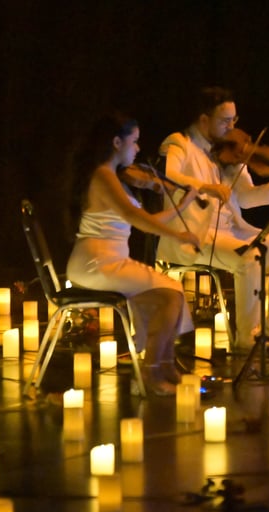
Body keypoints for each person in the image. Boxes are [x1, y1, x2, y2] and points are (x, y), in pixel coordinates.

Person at [156, 86, 269, 348]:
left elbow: (246, 198)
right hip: (196, 236)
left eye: (234, 120)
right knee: (250, 256)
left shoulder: (227, 151)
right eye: (225, 121)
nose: (232, 127)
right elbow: (169, 175)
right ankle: (247, 336)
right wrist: (206, 187)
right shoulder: (179, 143)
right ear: (204, 119)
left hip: (231, 232)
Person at [66, 113, 201, 396]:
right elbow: (134, 216)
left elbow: (142, 218)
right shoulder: (103, 174)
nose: (138, 149)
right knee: (171, 294)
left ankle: (161, 366)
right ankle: (153, 370)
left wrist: (183, 204)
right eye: (135, 141)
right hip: (97, 262)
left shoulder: (109, 175)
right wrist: (178, 235)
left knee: (171, 294)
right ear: (117, 142)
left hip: (108, 261)